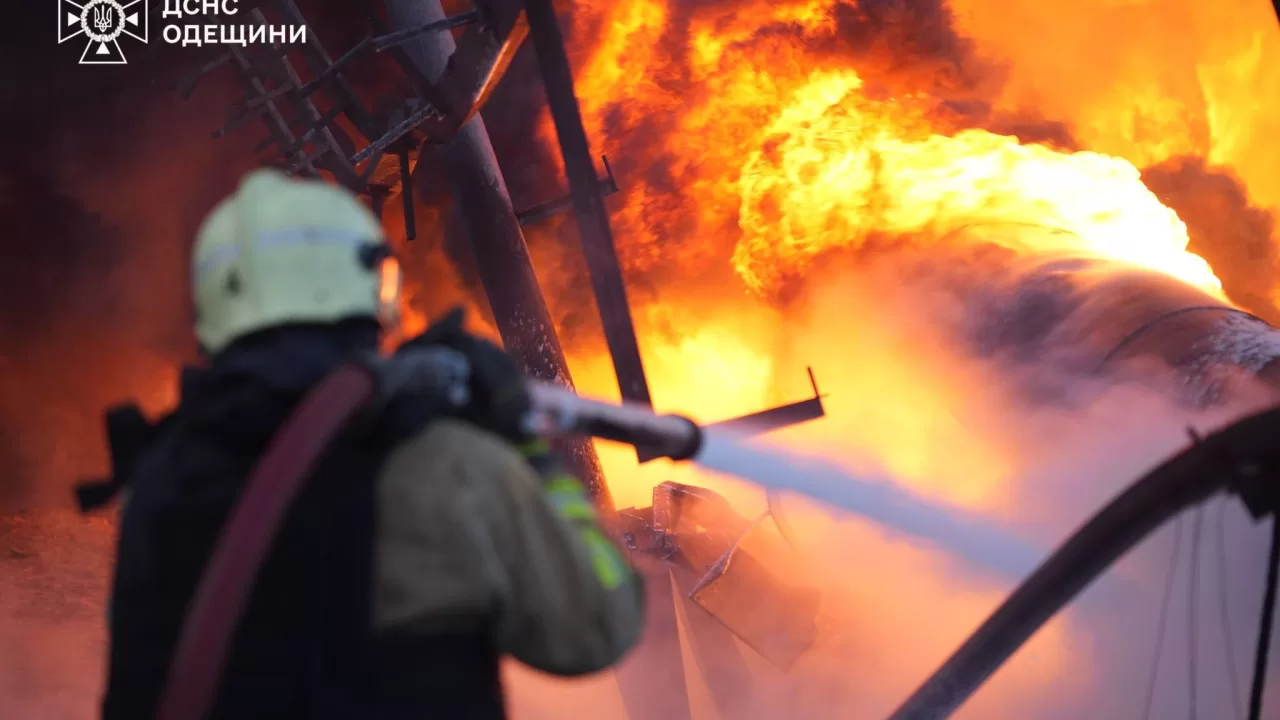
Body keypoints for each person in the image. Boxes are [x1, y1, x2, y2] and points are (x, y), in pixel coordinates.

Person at [88, 168, 645, 719]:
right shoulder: (444, 466)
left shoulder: (160, 482)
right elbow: (597, 628)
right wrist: (526, 449)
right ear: (373, 288)